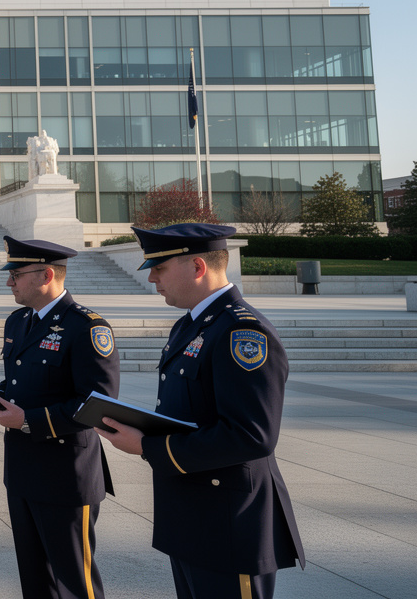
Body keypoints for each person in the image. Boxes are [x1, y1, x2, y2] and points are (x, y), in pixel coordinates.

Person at [97, 224, 304, 599]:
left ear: (197, 266)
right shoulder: (191, 325)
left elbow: (252, 435)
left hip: (229, 523)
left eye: (159, 267)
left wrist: (149, 447)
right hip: (193, 517)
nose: (152, 277)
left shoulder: (241, 332)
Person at [0, 236, 121, 599]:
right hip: (22, 471)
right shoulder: (18, 321)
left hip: (66, 474)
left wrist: (27, 420)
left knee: (75, 582)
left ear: (46, 274)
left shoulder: (87, 327)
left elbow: (99, 402)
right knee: (36, 581)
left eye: (16, 274)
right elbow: (20, 383)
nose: (10, 282)